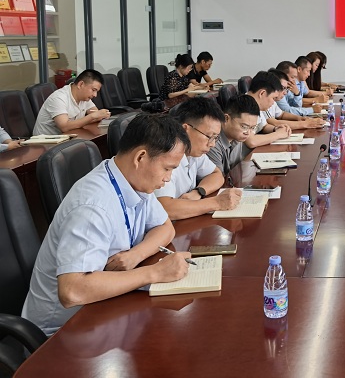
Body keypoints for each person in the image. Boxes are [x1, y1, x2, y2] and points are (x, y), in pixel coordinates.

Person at [22, 114, 192, 336]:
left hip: (104, 307)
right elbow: (72, 291)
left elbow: (165, 228)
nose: (168, 178)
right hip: (62, 331)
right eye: (167, 168)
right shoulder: (92, 205)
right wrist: (154, 273)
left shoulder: (132, 180)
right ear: (140, 157)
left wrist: (135, 255)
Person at [155, 97, 242, 220]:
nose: (212, 144)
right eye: (209, 136)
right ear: (185, 129)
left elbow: (216, 174)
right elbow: (165, 208)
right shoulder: (165, 154)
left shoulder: (194, 153)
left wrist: (199, 191)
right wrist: (216, 203)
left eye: (215, 138)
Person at [33, 69, 111, 135]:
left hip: (67, 138)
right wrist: (92, 116)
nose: (95, 95)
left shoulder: (84, 97)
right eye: (93, 90)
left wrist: (101, 115)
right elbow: (64, 127)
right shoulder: (59, 98)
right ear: (81, 84)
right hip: (44, 143)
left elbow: (96, 115)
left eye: (97, 91)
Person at [206, 94, 260, 174]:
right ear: (226, 118)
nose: (248, 133)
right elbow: (218, 178)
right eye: (244, 127)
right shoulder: (213, 143)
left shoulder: (237, 136)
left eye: (252, 127)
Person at [244, 72, 294, 148]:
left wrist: (276, 128)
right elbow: (251, 141)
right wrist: (278, 134)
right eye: (273, 98)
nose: (273, 103)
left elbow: (264, 126)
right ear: (262, 93)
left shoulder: (255, 105)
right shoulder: (244, 106)